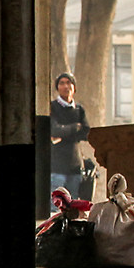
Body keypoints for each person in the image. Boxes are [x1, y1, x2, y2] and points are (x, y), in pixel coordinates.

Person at [48, 73, 90, 205]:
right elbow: (54, 129)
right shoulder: (52, 107)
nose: (66, 86)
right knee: (56, 206)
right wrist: (75, 127)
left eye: (68, 83)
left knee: (73, 205)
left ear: (74, 87)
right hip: (57, 166)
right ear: (57, 87)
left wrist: (64, 132)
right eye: (62, 83)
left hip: (75, 166)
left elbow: (86, 132)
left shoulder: (79, 109)